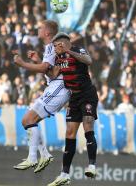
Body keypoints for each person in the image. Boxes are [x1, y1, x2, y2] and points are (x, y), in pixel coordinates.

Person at [13, 20, 70, 173]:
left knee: (28, 119)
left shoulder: (53, 46)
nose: (37, 29)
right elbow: (51, 71)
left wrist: (23, 64)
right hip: (55, 86)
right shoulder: (50, 47)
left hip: (59, 87)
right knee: (27, 120)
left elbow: (47, 69)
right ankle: (43, 155)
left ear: (47, 32)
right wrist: (38, 60)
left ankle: (33, 158)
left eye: (40, 27)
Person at [47, 33, 98, 186]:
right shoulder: (58, 59)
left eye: (56, 46)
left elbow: (89, 60)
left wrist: (69, 52)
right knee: (69, 133)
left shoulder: (78, 51)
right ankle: (64, 174)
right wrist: (37, 62)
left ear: (63, 44)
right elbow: (54, 74)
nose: (54, 49)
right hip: (74, 98)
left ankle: (92, 166)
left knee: (88, 124)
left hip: (87, 95)